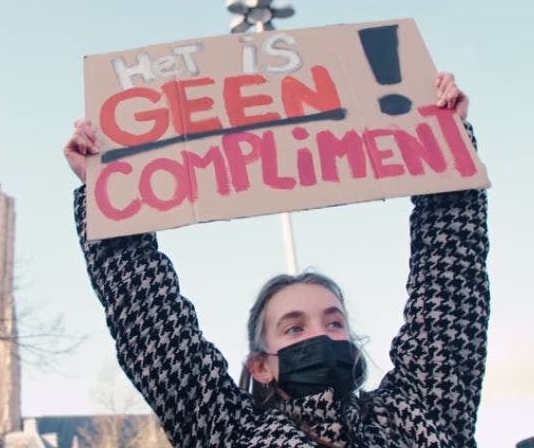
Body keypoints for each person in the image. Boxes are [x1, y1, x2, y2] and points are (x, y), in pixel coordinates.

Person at [64, 72, 489, 447]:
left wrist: (447, 144)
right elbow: (151, 318)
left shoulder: (415, 416)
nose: (320, 335)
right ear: (261, 365)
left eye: (334, 322)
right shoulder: (231, 434)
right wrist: (105, 191)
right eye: (294, 327)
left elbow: (450, 283)